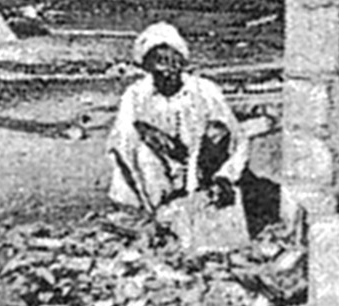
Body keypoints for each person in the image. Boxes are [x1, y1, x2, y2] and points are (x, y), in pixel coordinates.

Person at [106, 22, 248, 214]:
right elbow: (122, 143)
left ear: (181, 62)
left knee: (217, 133)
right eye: (159, 62)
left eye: (173, 61)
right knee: (142, 154)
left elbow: (237, 139)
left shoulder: (205, 90)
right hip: (157, 171)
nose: (167, 70)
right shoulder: (135, 95)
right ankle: (154, 210)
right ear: (148, 66)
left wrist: (226, 175)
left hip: (203, 166)